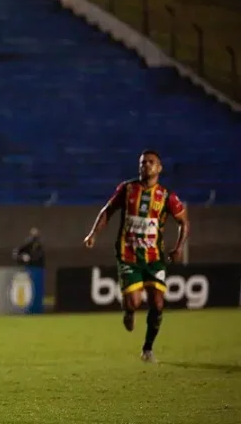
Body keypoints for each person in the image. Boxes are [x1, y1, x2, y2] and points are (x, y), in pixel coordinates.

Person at [83, 150, 189, 363]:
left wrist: (178, 248)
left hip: (154, 257)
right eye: (142, 162)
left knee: (157, 304)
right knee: (133, 302)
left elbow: (184, 222)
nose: (146, 166)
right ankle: (129, 312)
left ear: (159, 168)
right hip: (128, 254)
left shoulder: (167, 196)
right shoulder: (127, 189)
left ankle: (147, 349)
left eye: (151, 162)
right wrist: (93, 233)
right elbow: (108, 210)